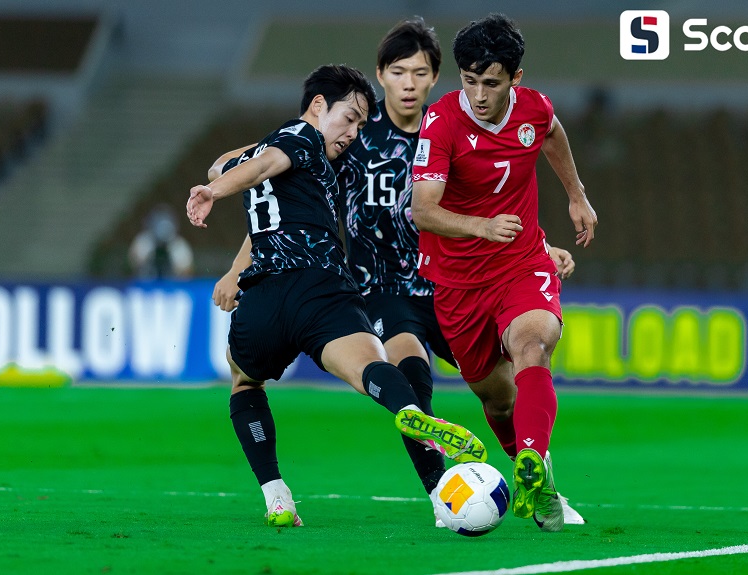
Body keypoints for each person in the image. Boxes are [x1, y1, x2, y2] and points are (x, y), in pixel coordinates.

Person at [212, 20, 584, 530]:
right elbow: (279, 193)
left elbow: (501, 189)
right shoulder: (350, 138)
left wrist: (540, 242)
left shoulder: (455, 126)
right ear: (381, 76)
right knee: (411, 374)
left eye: (420, 72)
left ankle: (542, 484)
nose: (409, 83)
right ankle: (442, 494)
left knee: (502, 393)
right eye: (398, 71)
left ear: (436, 79)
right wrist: (237, 261)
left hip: (457, 282)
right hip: (386, 289)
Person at [186, 64, 487, 529]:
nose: (353, 132)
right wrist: (214, 192)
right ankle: (408, 410)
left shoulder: (295, 151)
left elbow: (239, 166)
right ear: (319, 106)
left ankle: (276, 496)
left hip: (265, 294)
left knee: (245, 384)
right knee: (371, 367)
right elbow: (261, 164)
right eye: (350, 118)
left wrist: (231, 257)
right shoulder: (303, 138)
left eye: (363, 124)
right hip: (323, 288)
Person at [410, 14, 598, 532]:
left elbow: (553, 134)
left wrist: (576, 196)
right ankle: (541, 483)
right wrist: (480, 226)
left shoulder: (534, 108)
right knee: (497, 397)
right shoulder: (443, 121)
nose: (477, 94)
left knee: (534, 343)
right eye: (468, 81)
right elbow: (423, 210)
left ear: (515, 77)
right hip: (457, 281)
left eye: (490, 82)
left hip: (521, 261)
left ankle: (535, 468)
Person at [128, 204, 194, 279]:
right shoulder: (142, 242)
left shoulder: (180, 246)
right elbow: (132, 268)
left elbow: (187, 274)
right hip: (145, 285)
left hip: (173, 287)